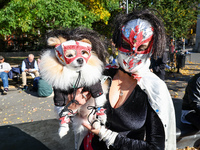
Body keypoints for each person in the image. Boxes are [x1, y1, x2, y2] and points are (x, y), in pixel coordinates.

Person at [65, 9, 176, 150]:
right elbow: (72, 122)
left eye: (141, 47)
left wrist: (106, 135)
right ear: (118, 43)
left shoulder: (154, 89)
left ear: (151, 48)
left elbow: (156, 147)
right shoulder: (101, 75)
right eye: (126, 45)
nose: (132, 53)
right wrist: (72, 107)